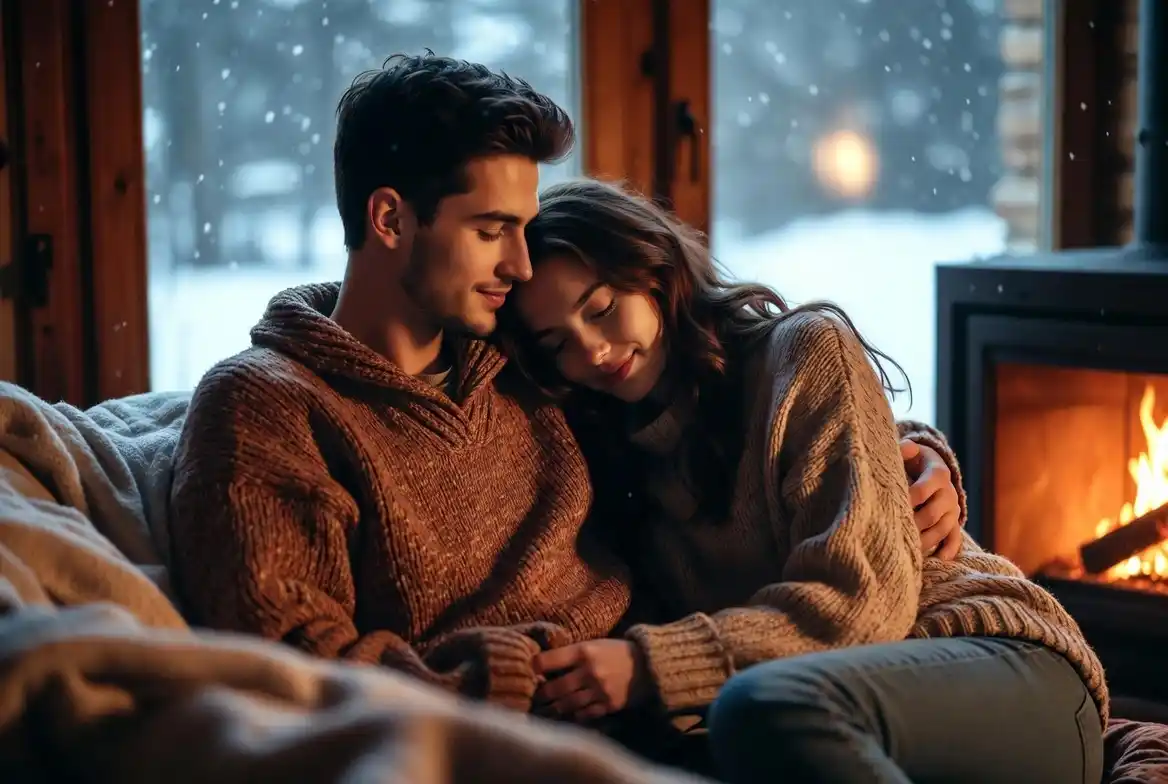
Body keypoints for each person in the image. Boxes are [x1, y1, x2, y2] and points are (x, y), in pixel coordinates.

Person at [168, 53, 962, 720]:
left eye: (522, 226)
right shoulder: (267, 407)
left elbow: (705, 413)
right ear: (389, 220)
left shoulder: (525, 362)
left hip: (691, 699)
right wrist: (518, 680)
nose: (519, 264)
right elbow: (293, 672)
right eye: (491, 231)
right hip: (556, 728)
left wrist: (908, 458)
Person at [497, 178, 1107, 783]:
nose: (593, 351)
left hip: (1003, 667)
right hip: (842, 708)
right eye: (557, 345)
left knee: (764, 708)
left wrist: (648, 664)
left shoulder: (802, 352)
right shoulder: (611, 456)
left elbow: (861, 603)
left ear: (654, 270)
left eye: (601, 309)